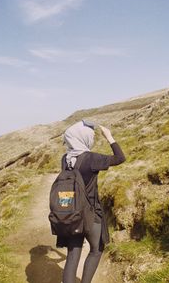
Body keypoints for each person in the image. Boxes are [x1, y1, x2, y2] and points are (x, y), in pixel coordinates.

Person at [56, 119, 126, 283]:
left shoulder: (65, 159)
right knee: (96, 249)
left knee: (73, 254)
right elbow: (120, 158)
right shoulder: (91, 158)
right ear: (84, 137)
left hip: (71, 214)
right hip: (90, 214)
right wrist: (109, 137)